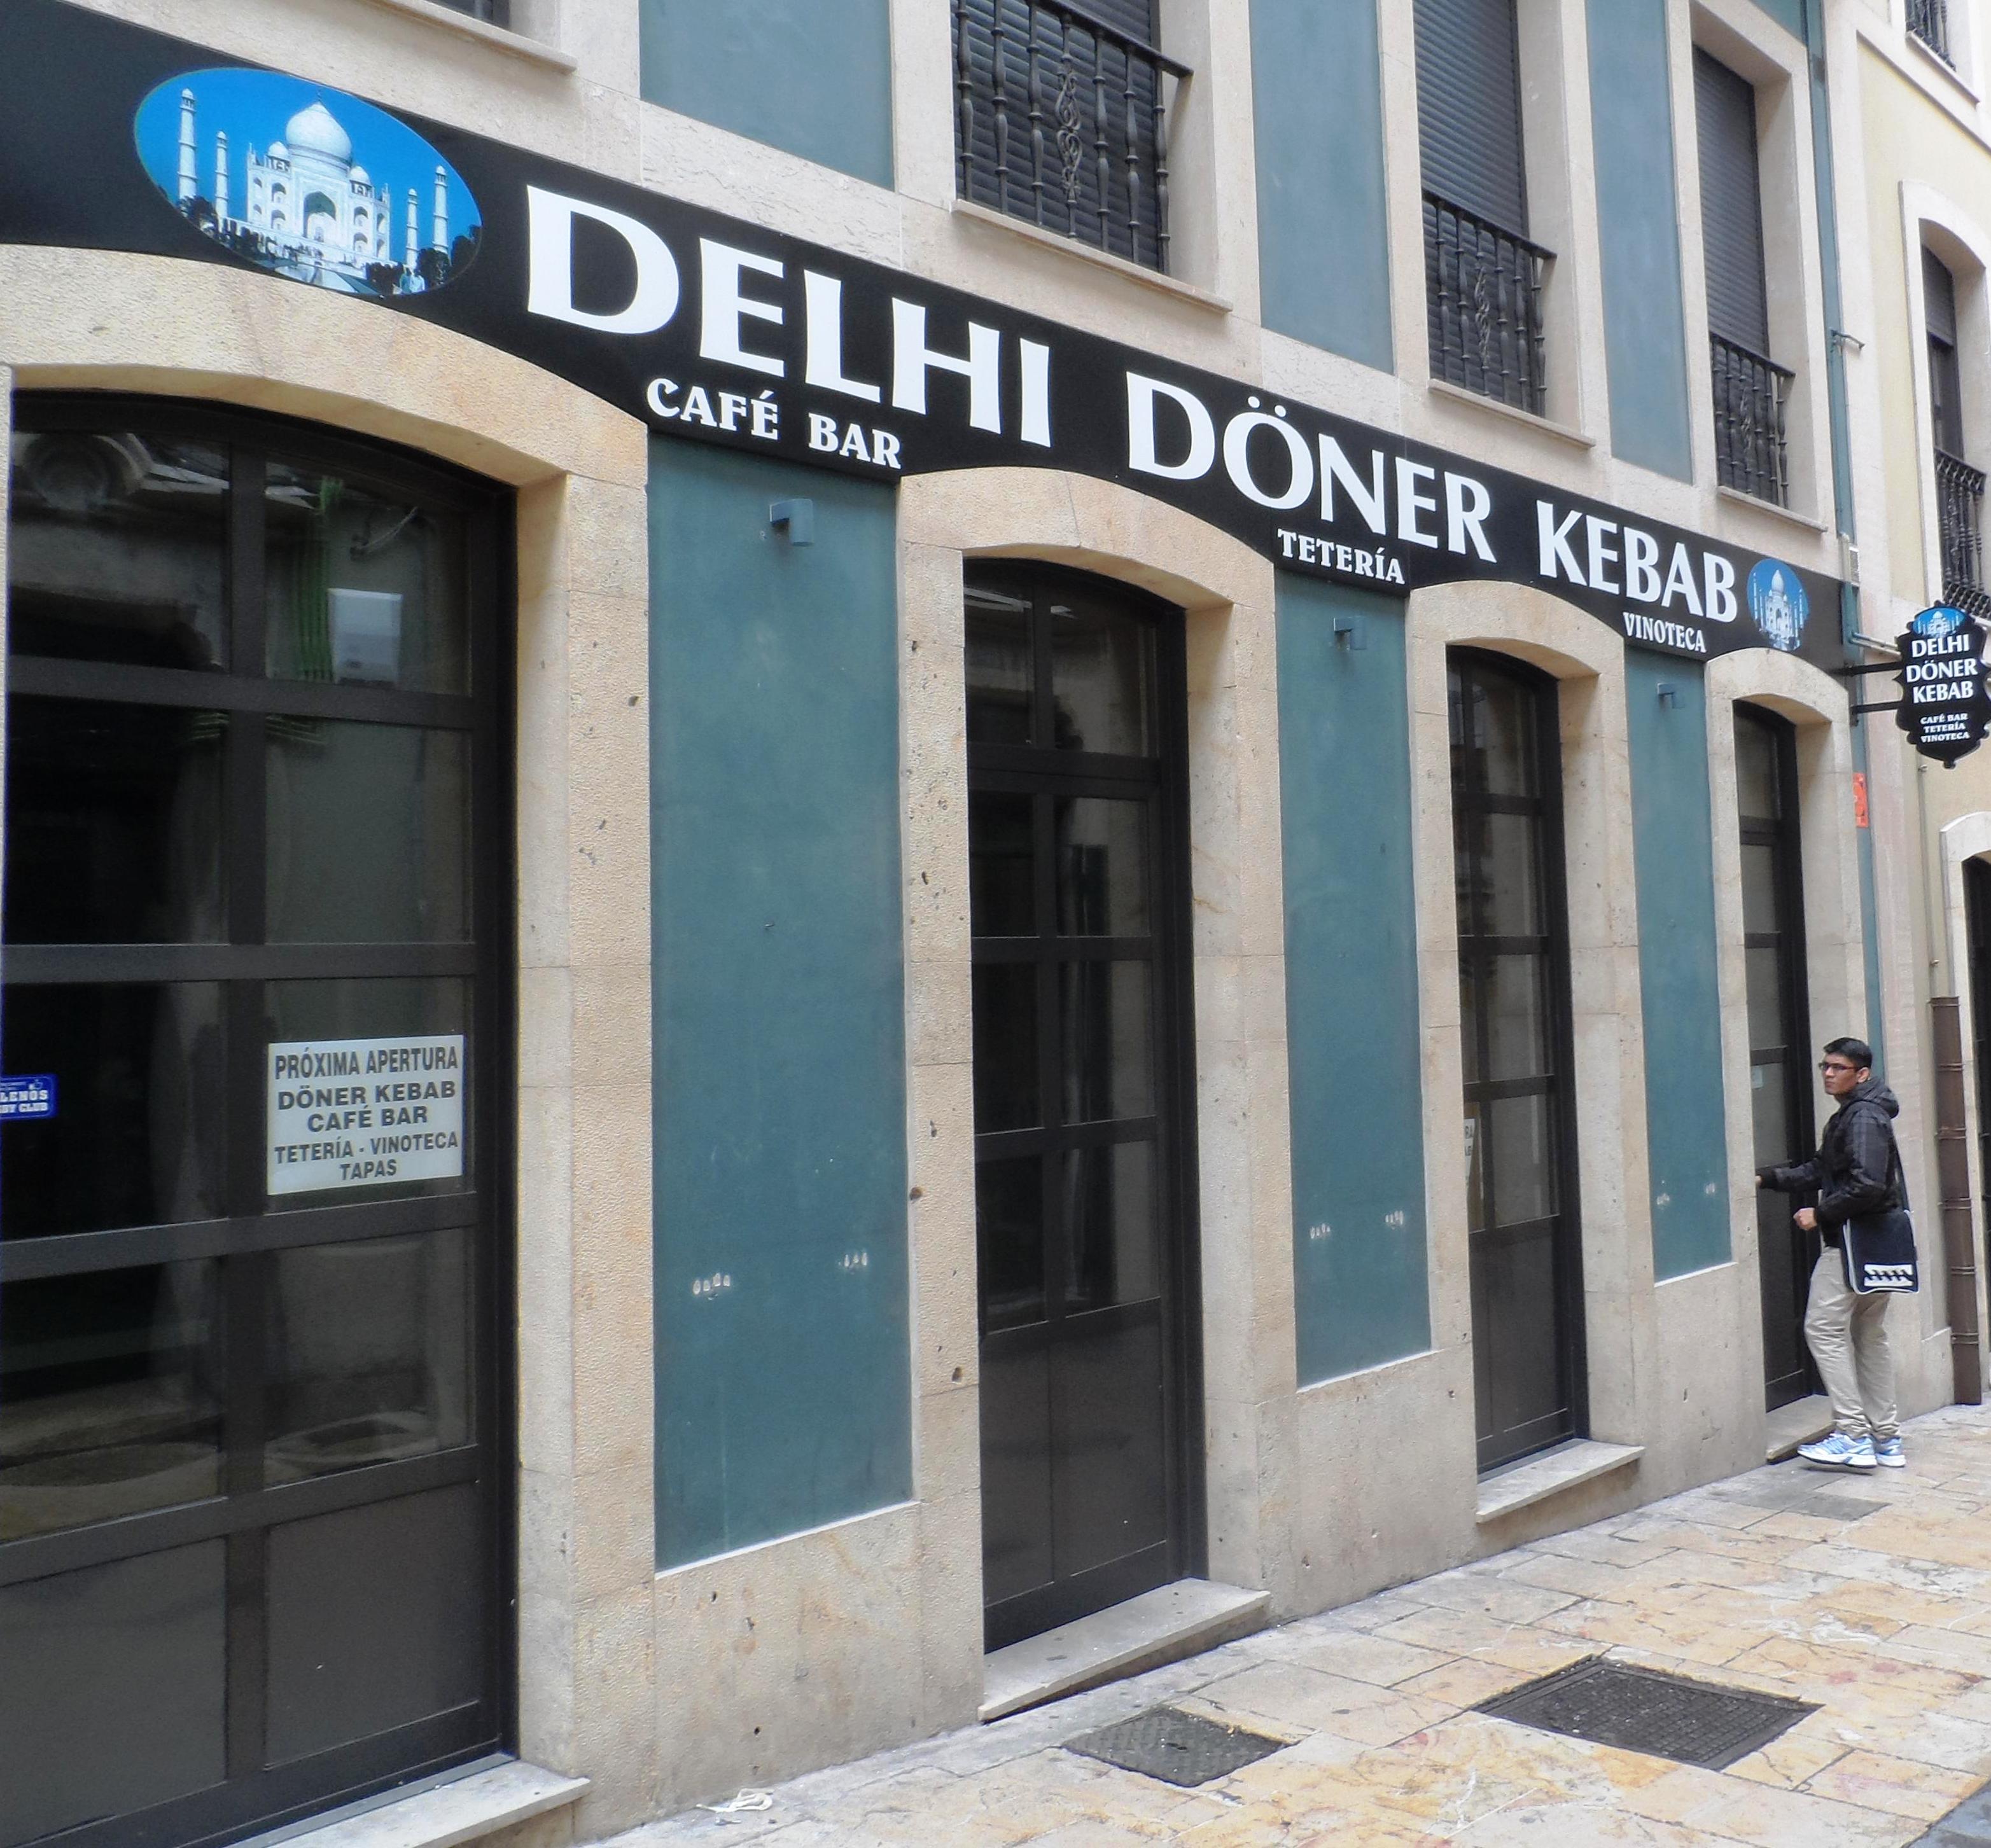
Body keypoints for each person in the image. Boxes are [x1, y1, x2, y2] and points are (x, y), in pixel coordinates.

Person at [1756, 1038, 1904, 1471]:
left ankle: (1853, 1435)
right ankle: (1885, 1438)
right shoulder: (1858, 1113)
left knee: (1822, 1328)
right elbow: (1822, 1169)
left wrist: (1819, 1213)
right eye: (1825, 1066)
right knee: (1869, 1335)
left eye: (1838, 1067)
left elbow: (1867, 1184)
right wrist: (1769, 1178)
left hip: (1851, 1244)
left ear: (1862, 1074)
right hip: (1873, 1244)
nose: (1828, 1073)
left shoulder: (1862, 1116)